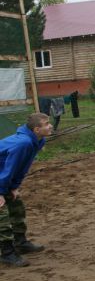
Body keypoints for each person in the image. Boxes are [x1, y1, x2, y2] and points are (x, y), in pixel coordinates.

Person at [0, 113, 52, 267]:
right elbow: (9, 168)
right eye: (46, 123)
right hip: (2, 175)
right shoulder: (23, 143)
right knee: (2, 214)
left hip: (3, 174)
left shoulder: (38, 140)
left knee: (16, 206)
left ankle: (20, 243)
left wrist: (14, 187)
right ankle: (7, 253)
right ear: (36, 129)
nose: (50, 126)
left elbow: (23, 166)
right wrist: (0, 192)